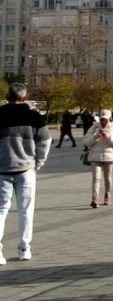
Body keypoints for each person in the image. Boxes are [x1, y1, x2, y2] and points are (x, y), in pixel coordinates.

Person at [0, 83, 51, 264]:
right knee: (25, 210)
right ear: (23, 97)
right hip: (25, 169)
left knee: (1, 210)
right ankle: (24, 248)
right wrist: (38, 163)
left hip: (2, 168)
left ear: (8, 96)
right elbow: (45, 140)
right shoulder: (33, 116)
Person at [82, 109, 113, 208]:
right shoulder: (94, 127)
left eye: (105, 120)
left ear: (109, 119)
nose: (103, 122)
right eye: (101, 119)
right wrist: (96, 136)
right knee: (96, 178)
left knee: (107, 178)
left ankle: (107, 194)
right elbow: (86, 142)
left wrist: (108, 136)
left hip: (110, 157)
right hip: (95, 157)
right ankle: (95, 198)